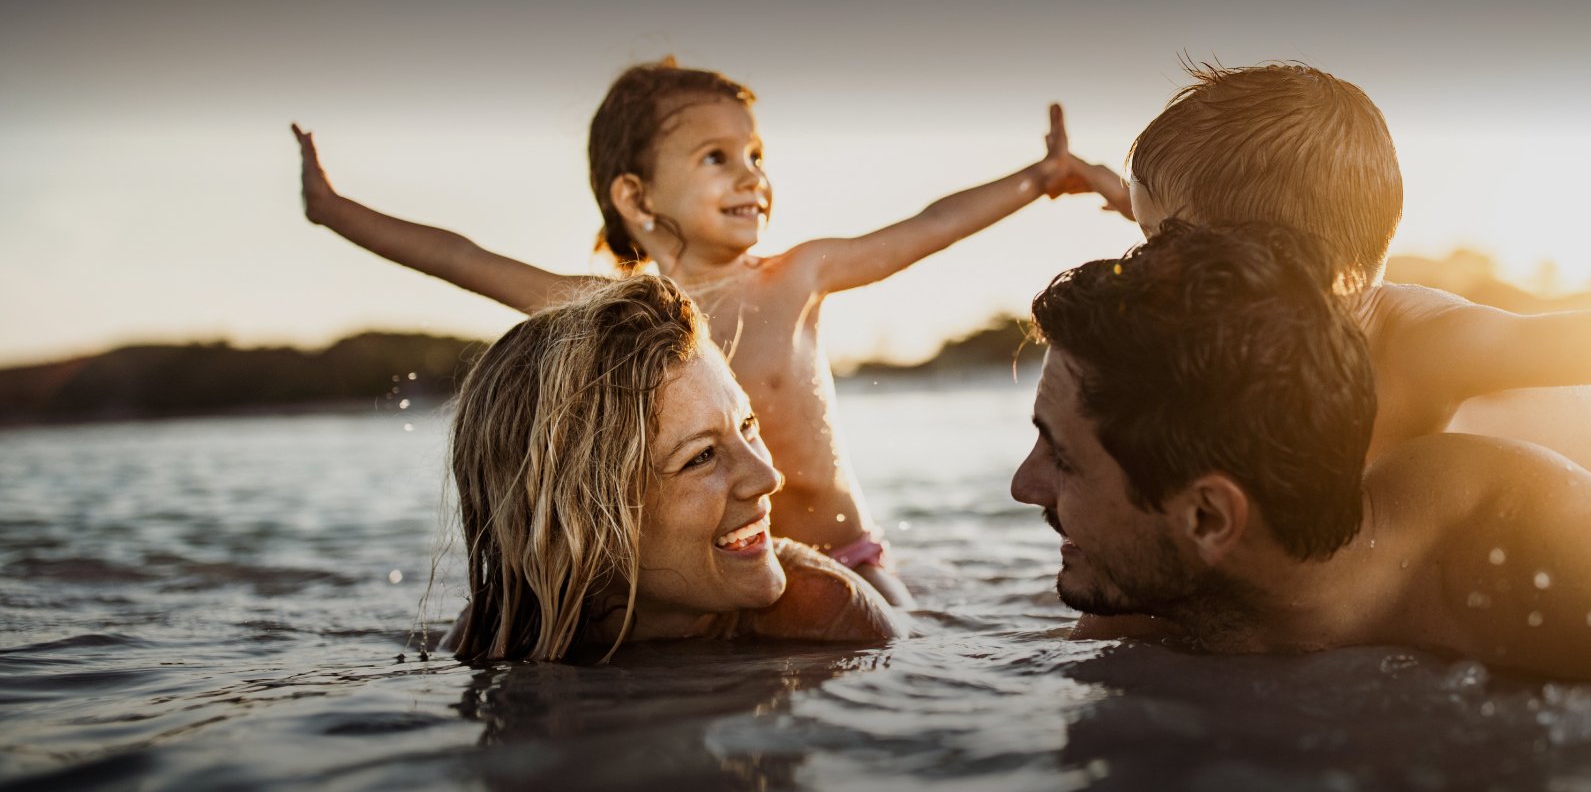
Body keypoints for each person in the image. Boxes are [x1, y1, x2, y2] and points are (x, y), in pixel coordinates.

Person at [295, 59, 1118, 606]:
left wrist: (1040, 178)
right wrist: (334, 213)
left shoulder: (798, 276)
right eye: (717, 158)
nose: (752, 175)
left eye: (756, 154)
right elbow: (459, 256)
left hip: (848, 559)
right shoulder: (610, 315)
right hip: (717, 579)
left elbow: (929, 224)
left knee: (890, 655)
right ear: (634, 197)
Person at [1106, 62, 1591, 578]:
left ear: (1279, 258)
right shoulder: (1262, 330)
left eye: (1154, 239)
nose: (1142, 266)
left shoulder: (1415, 340)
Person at [1010, 220, 1591, 692]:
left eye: (1062, 457)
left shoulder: (1514, 546)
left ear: (1209, 517)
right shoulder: (1150, 587)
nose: (1023, 486)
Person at [448, 274, 903, 662]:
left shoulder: (830, 617)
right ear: (579, 520)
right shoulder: (504, 631)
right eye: (701, 456)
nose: (768, 477)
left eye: (748, 426)